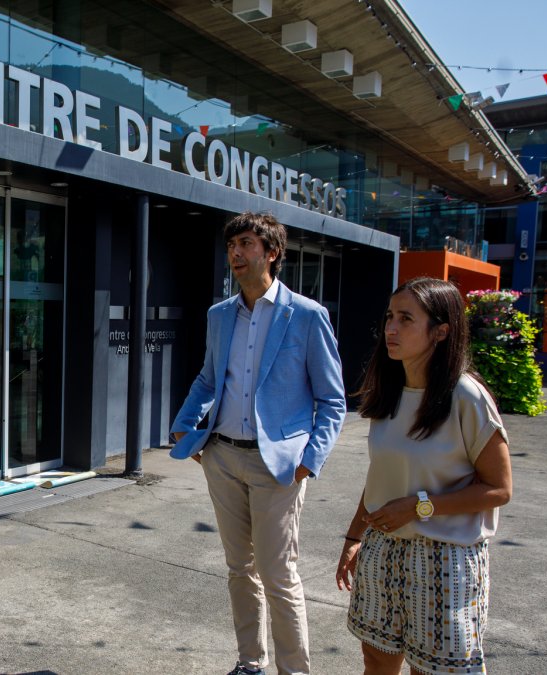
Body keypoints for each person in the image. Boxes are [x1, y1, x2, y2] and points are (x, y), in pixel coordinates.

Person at [170, 212, 346, 675]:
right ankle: (251, 662)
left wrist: (310, 460)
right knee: (238, 570)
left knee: (278, 575)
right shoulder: (219, 315)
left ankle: (294, 671)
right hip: (223, 456)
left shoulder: (307, 316)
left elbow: (332, 400)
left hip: (280, 467)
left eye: (246, 244)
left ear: (271, 252)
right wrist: (184, 424)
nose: (236, 254)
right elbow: (209, 378)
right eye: (232, 246)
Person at [335, 277, 512, 675]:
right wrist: (353, 537)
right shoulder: (390, 390)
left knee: (433, 669)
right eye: (389, 318)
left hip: (443, 557)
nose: (391, 329)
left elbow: (499, 488)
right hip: (382, 549)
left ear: (441, 330)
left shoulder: (465, 396)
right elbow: (382, 475)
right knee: (376, 658)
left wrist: (418, 506)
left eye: (406, 319)